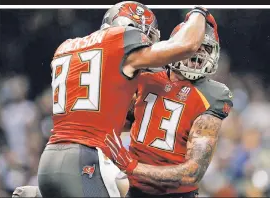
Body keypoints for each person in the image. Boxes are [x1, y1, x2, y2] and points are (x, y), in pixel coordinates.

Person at [14, 2, 217, 197]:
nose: (148, 46)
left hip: (50, 158)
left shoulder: (66, 46)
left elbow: (98, 111)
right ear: (132, 29)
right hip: (86, 160)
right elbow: (188, 44)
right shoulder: (120, 41)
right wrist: (199, 11)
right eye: (148, 38)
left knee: (119, 186)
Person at [104, 22, 233, 198]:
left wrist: (132, 166)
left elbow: (192, 173)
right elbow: (120, 120)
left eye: (206, 49)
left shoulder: (212, 95)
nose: (199, 54)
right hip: (135, 191)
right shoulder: (146, 77)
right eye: (194, 47)